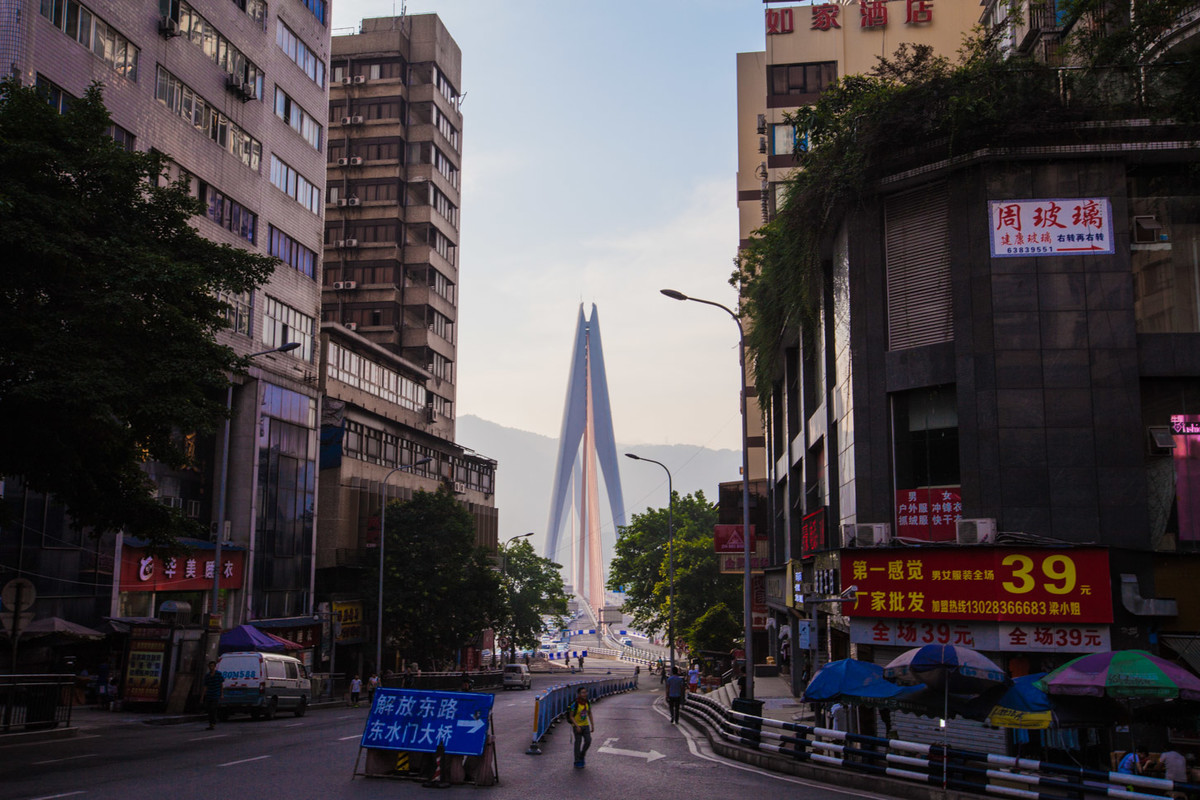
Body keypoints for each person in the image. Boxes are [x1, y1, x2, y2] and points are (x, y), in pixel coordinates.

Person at [567, 687, 594, 768]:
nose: (584, 694)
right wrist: (576, 726)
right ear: (579, 694)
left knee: (588, 741)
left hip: (585, 725)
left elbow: (589, 713)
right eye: (582, 693)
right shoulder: (575, 704)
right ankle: (577, 761)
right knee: (578, 743)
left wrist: (592, 725)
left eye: (586, 692)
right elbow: (571, 716)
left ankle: (582, 754)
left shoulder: (587, 702)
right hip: (577, 726)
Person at [202, 660, 223, 730]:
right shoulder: (207, 676)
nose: (211, 667)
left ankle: (213, 723)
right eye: (210, 666)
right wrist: (202, 696)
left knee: (213, 708)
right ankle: (211, 723)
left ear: (215, 666)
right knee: (209, 709)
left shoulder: (218, 674)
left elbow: (221, 684)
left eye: (212, 666)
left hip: (216, 694)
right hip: (209, 694)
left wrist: (221, 694)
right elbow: (205, 686)